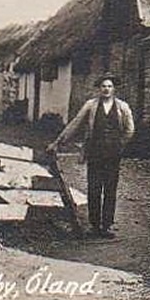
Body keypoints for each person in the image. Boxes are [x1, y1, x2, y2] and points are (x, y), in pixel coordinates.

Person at [46, 75, 134, 238]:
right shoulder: (91, 106)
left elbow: (129, 129)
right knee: (94, 189)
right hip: (94, 152)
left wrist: (119, 144)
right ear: (99, 89)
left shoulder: (123, 107)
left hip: (113, 155)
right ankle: (95, 226)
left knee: (110, 189)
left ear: (114, 89)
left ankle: (107, 225)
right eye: (103, 86)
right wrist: (58, 142)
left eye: (109, 86)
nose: (106, 89)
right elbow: (75, 123)